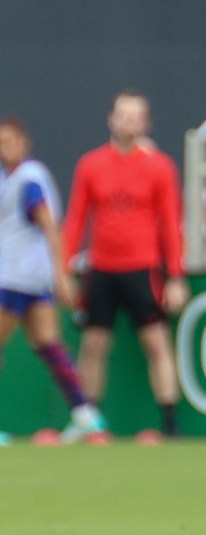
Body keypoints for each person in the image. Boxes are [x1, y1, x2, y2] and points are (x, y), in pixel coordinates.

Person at [62, 91, 187, 444]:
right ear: (111, 120)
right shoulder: (90, 164)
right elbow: (75, 221)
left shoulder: (160, 167)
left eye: (136, 117)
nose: (129, 122)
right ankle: (90, 424)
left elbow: (171, 223)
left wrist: (175, 277)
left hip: (143, 268)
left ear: (145, 123)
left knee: (157, 344)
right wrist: (63, 271)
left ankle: (170, 427)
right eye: (123, 115)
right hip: (100, 269)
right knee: (94, 345)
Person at [0, 116, 106, 444]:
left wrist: (61, 275)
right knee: (48, 345)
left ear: (24, 143)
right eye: (1, 142)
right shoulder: (9, 179)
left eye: (11, 141)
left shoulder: (29, 179)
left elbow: (49, 226)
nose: (6, 148)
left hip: (15, 278)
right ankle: (86, 414)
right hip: (29, 278)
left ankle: (86, 416)